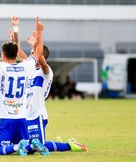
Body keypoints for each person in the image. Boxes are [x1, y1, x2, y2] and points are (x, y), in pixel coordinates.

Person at [12, 15, 87, 153]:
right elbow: (16, 51)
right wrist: (16, 28)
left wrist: (38, 38)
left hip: (37, 114)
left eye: (34, 53)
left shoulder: (45, 72)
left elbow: (40, 57)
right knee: (27, 146)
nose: (31, 55)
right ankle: (57, 143)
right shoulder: (28, 67)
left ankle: (70, 145)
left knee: (37, 147)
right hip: (24, 114)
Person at [0, 17, 44, 156]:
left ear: (2, 54)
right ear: (15, 54)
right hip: (21, 116)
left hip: (5, 117)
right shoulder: (25, 67)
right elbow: (38, 53)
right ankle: (32, 145)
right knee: (25, 147)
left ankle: (17, 147)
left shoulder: (0, 68)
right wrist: (40, 32)